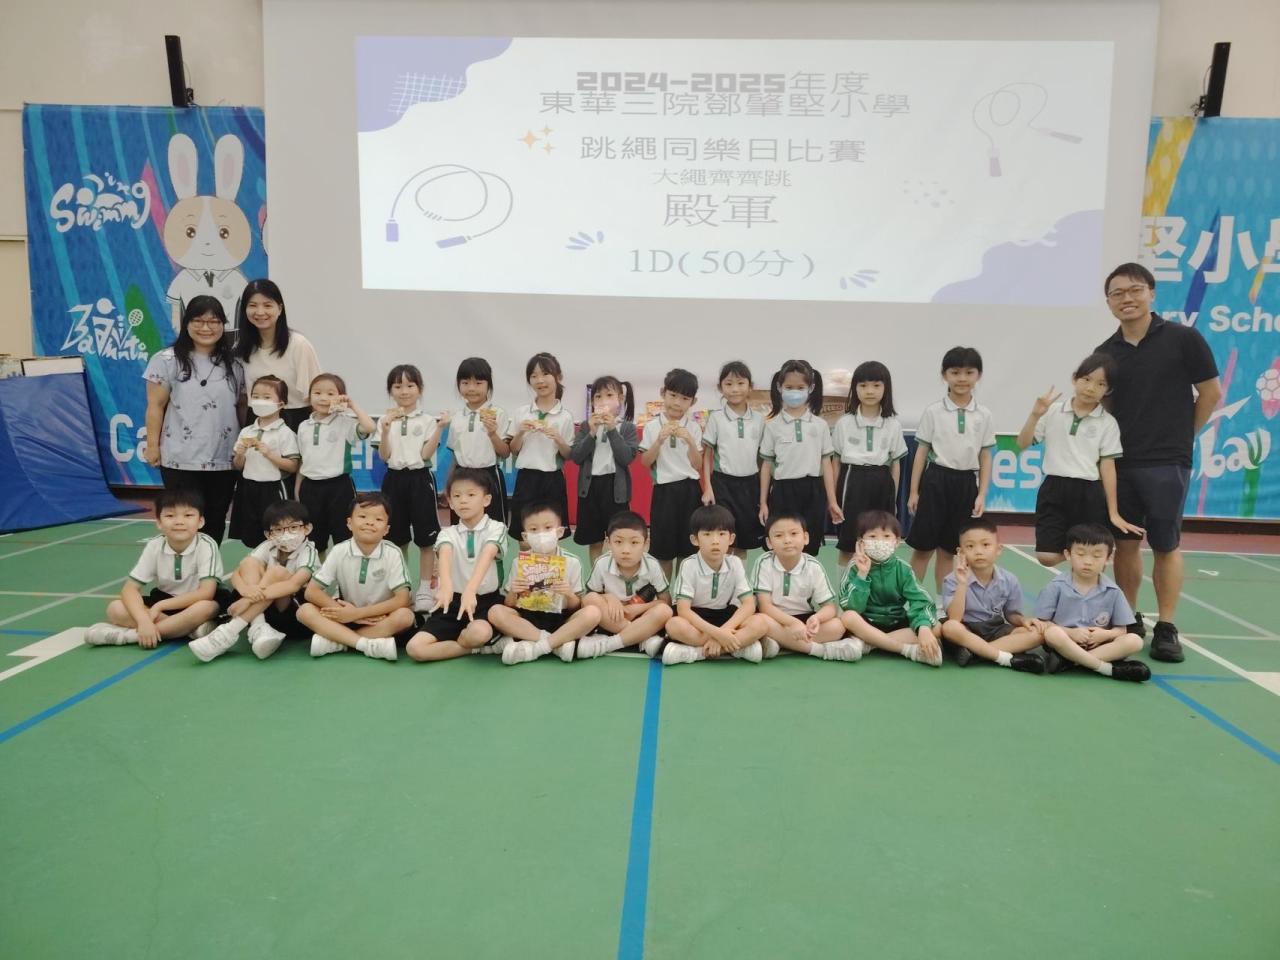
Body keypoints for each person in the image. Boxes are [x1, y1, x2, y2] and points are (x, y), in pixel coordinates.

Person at [1095, 262, 1222, 662]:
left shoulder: (1184, 339)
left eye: (1135, 290)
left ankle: (1166, 626)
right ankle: (1129, 620)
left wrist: (1184, 438)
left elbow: (1211, 394)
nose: (1127, 299)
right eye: (1117, 293)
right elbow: (1104, 407)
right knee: (1125, 544)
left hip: (1168, 461)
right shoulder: (1105, 353)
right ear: (1109, 303)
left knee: (1166, 544)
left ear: (1151, 293)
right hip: (1121, 462)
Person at [1016, 353, 1143, 567]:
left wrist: (1113, 512)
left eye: (1100, 384)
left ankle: (1085, 570)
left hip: (1089, 492)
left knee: (1089, 554)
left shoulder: (1108, 423)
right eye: (1086, 379)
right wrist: (1035, 415)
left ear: (1108, 390)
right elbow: (1022, 443)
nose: (1091, 388)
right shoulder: (1053, 411)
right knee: (1046, 556)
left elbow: (1108, 467)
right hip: (1053, 489)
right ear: (1075, 379)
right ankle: (1077, 557)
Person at [142, 295, 245, 544]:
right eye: (198, 320)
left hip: (223, 458)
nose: (206, 327)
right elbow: (155, 406)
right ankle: (182, 568)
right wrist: (153, 445)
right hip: (180, 458)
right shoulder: (166, 360)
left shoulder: (235, 363)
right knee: (183, 520)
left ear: (223, 325)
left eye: (214, 321)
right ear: (186, 323)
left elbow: (242, 407)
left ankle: (208, 567)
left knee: (215, 519)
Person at [85, 490, 225, 648]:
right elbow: (129, 589)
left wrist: (160, 606)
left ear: (200, 522)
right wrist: (143, 620)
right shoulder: (155, 545)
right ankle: (186, 630)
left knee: (207, 607)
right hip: (164, 600)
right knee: (115, 608)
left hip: (193, 602)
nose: (179, 521)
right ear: (158, 523)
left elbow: (206, 593)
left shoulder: (207, 545)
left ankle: (130, 636)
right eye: (170, 516)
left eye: (188, 515)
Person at [906, 346, 995, 592]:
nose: (962, 378)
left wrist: (982, 493)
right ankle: (909, 601)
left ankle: (941, 603)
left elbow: (985, 456)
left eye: (969, 372)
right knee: (923, 549)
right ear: (944, 375)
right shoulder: (934, 411)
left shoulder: (984, 415)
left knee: (949, 551)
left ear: (978, 375)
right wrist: (914, 491)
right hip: (936, 480)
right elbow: (921, 453)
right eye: (955, 372)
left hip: (966, 484)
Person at [190, 500, 318, 662]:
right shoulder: (267, 546)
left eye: (293, 527)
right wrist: (245, 592)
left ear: (307, 528)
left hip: (292, 615)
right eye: (278, 530)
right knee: (249, 562)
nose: (286, 534)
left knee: (277, 572)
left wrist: (247, 600)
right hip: (264, 608)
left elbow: (294, 585)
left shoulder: (309, 552)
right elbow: (238, 573)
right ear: (268, 534)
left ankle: (229, 631)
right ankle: (259, 627)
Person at [297, 492, 416, 661]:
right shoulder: (339, 550)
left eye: (378, 519)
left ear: (386, 530)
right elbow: (312, 592)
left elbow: (402, 599)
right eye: (362, 516)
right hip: (344, 615)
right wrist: (346, 613)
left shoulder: (393, 552)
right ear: (349, 523)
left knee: (405, 616)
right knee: (304, 611)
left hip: (379, 617)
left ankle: (339, 642)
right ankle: (366, 644)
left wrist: (359, 614)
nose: (370, 522)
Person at [406, 468, 509, 662]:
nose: (463, 500)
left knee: (479, 632)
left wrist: (470, 590)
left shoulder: (497, 528)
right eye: (457, 496)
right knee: (415, 649)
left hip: (485, 602)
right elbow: (445, 554)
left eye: (471, 495)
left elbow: (487, 555)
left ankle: (471, 641)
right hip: (451, 602)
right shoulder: (447, 533)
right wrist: (445, 587)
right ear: (450, 503)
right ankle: (477, 649)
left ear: (486, 500)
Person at [487, 503, 601, 664]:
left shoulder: (572, 562)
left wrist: (568, 594)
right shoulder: (518, 562)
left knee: (593, 613)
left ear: (559, 532)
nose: (541, 534)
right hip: (527, 619)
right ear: (525, 536)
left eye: (548, 528)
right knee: (495, 612)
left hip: (561, 619)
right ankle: (555, 644)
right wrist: (513, 591)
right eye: (534, 529)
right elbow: (509, 604)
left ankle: (537, 647)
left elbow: (576, 606)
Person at [1036, 523, 1151, 682]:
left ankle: (1069, 661)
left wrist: (1105, 634)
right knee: (1052, 634)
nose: (1088, 561)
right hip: (1065, 642)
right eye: (1080, 554)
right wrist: (1071, 633)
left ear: (1108, 559)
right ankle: (1106, 668)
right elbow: (1043, 623)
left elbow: (1121, 630)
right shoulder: (1056, 586)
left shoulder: (1114, 591)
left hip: (1099, 644)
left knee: (1135, 641)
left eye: (1097, 556)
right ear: (1068, 555)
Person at [747, 512, 861, 662]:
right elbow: (765, 606)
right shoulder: (764, 562)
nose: (787, 540)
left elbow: (830, 607)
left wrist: (817, 618)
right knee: (759, 621)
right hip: (773, 619)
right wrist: (792, 623)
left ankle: (780, 642)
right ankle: (820, 650)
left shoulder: (814, 566)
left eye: (794, 534)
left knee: (838, 626)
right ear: (769, 542)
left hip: (803, 621)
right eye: (779, 535)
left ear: (805, 538)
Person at [661, 505, 767, 665]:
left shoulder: (735, 562)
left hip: (726, 617)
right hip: (697, 619)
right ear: (695, 540)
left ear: (731, 539)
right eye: (707, 534)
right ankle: (737, 648)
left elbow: (748, 604)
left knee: (761, 623)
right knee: (673, 625)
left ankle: (697, 653)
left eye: (722, 534)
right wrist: (718, 634)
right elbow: (683, 610)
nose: (715, 541)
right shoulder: (689, 565)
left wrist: (723, 632)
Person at [938, 518, 1046, 672]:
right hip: (966, 629)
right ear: (961, 552)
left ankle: (976, 653)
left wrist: (1024, 620)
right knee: (950, 627)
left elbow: (1011, 614)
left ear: (998, 549)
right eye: (970, 546)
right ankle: (1002, 657)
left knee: (1037, 634)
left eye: (985, 545)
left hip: (995, 629)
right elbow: (955, 618)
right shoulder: (952, 580)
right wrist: (962, 583)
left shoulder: (1009, 580)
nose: (978, 551)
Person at [759, 358, 841, 558]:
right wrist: (763, 502)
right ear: (779, 387)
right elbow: (767, 466)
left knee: (809, 545)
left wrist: (832, 501)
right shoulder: (772, 426)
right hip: (783, 491)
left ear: (810, 388)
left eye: (800, 387)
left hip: (813, 491)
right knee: (782, 545)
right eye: (789, 387)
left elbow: (826, 465)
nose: (794, 392)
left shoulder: (820, 425)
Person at [839, 510, 942, 666]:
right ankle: (905, 649)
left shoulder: (903, 569)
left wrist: (923, 628)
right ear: (861, 542)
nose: (880, 541)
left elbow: (921, 601)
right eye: (872, 536)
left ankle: (870, 644)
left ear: (897, 541)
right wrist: (862, 575)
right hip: (866, 623)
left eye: (886, 536)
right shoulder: (854, 567)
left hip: (896, 623)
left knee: (936, 627)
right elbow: (851, 607)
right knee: (848, 617)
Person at [832, 360, 907, 570]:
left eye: (876, 385)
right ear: (854, 388)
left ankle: (875, 589)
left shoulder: (893, 424)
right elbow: (835, 462)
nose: (870, 391)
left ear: (886, 388)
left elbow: (895, 465)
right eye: (863, 385)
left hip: (882, 482)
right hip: (852, 481)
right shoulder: (844, 423)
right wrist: (834, 499)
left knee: (880, 544)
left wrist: (893, 497)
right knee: (849, 544)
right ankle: (844, 589)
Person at [377, 364, 446, 589]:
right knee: (396, 539)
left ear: (420, 389)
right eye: (398, 386)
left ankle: (425, 588)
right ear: (390, 390)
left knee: (427, 538)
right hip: (393, 479)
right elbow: (384, 456)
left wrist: (439, 429)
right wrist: (386, 431)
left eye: (410, 385)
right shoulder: (385, 420)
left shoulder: (427, 421)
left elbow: (425, 455)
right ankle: (402, 587)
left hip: (420, 480)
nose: (404, 391)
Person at [577, 511, 674, 659]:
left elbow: (666, 601)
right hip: (612, 619)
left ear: (646, 544)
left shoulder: (653, 565)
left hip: (642, 618)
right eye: (618, 542)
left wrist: (638, 608)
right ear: (608, 543)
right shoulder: (602, 563)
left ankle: (609, 644)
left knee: (664, 611)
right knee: (590, 600)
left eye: (634, 543)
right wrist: (609, 598)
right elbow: (588, 599)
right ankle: (641, 638)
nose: (626, 550)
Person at [297, 373, 376, 552]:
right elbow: (303, 460)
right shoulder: (303, 426)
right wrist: (298, 489)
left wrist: (352, 406)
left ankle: (343, 569)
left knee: (343, 535)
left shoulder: (345, 423)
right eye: (317, 393)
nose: (323, 398)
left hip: (339, 487)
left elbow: (370, 427)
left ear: (341, 397)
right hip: (310, 488)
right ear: (309, 396)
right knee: (314, 539)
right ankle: (319, 569)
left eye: (330, 393)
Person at [640, 368, 705, 579]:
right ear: (663, 393)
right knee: (663, 550)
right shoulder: (652, 427)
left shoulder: (694, 428)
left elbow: (697, 465)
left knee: (688, 550)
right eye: (673, 395)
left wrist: (690, 442)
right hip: (664, 492)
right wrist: (659, 441)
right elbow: (645, 462)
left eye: (684, 398)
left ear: (693, 402)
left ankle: (683, 593)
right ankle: (664, 594)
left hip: (690, 491)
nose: (677, 403)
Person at [233, 279, 323, 431]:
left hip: (294, 422)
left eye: (267, 305)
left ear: (280, 308)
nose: (260, 312)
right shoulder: (242, 347)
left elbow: (317, 395)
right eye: (253, 305)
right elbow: (241, 398)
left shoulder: (299, 345)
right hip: (256, 422)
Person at [570, 375, 639, 565]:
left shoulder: (626, 427)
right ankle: (596, 576)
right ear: (592, 402)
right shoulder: (586, 426)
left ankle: (614, 575)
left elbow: (626, 458)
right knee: (594, 540)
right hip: (589, 488)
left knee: (617, 537)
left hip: (615, 490)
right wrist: (592, 432)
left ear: (620, 399)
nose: (603, 401)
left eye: (609, 395)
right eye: (598, 397)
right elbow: (576, 456)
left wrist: (612, 429)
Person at [701, 361, 765, 557]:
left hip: (750, 485)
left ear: (750, 386)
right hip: (722, 485)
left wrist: (763, 495)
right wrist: (708, 487)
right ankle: (723, 575)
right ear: (720, 388)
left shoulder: (759, 419)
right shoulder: (716, 418)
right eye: (728, 384)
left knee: (743, 540)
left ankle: (739, 577)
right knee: (723, 537)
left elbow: (763, 458)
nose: (735, 389)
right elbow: (707, 455)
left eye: (740, 383)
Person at [227, 375, 300, 547]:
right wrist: (240, 455)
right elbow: (238, 465)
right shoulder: (246, 431)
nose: (260, 401)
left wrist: (270, 454)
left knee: (278, 532)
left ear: (281, 404)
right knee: (252, 535)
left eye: (267, 397)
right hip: (249, 487)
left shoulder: (285, 433)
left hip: (274, 489)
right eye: (256, 396)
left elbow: (293, 466)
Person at [509, 352, 574, 541]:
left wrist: (558, 439)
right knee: (524, 535)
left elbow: (568, 454)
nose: (540, 380)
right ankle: (525, 561)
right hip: (526, 479)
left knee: (551, 535)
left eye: (545, 374)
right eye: (534, 376)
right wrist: (520, 432)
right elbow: (513, 450)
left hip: (552, 480)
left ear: (558, 377)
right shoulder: (522, 413)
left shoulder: (565, 416)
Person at [446, 357, 512, 524]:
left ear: (489, 384)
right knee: (461, 526)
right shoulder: (457, 417)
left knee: (493, 527)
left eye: (478, 383)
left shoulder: (498, 413)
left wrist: (493, 434)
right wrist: (450, 484)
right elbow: (455, 455)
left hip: (489, 476)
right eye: (465, 383)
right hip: (461, 477)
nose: (471, 388)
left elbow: (505, 452)